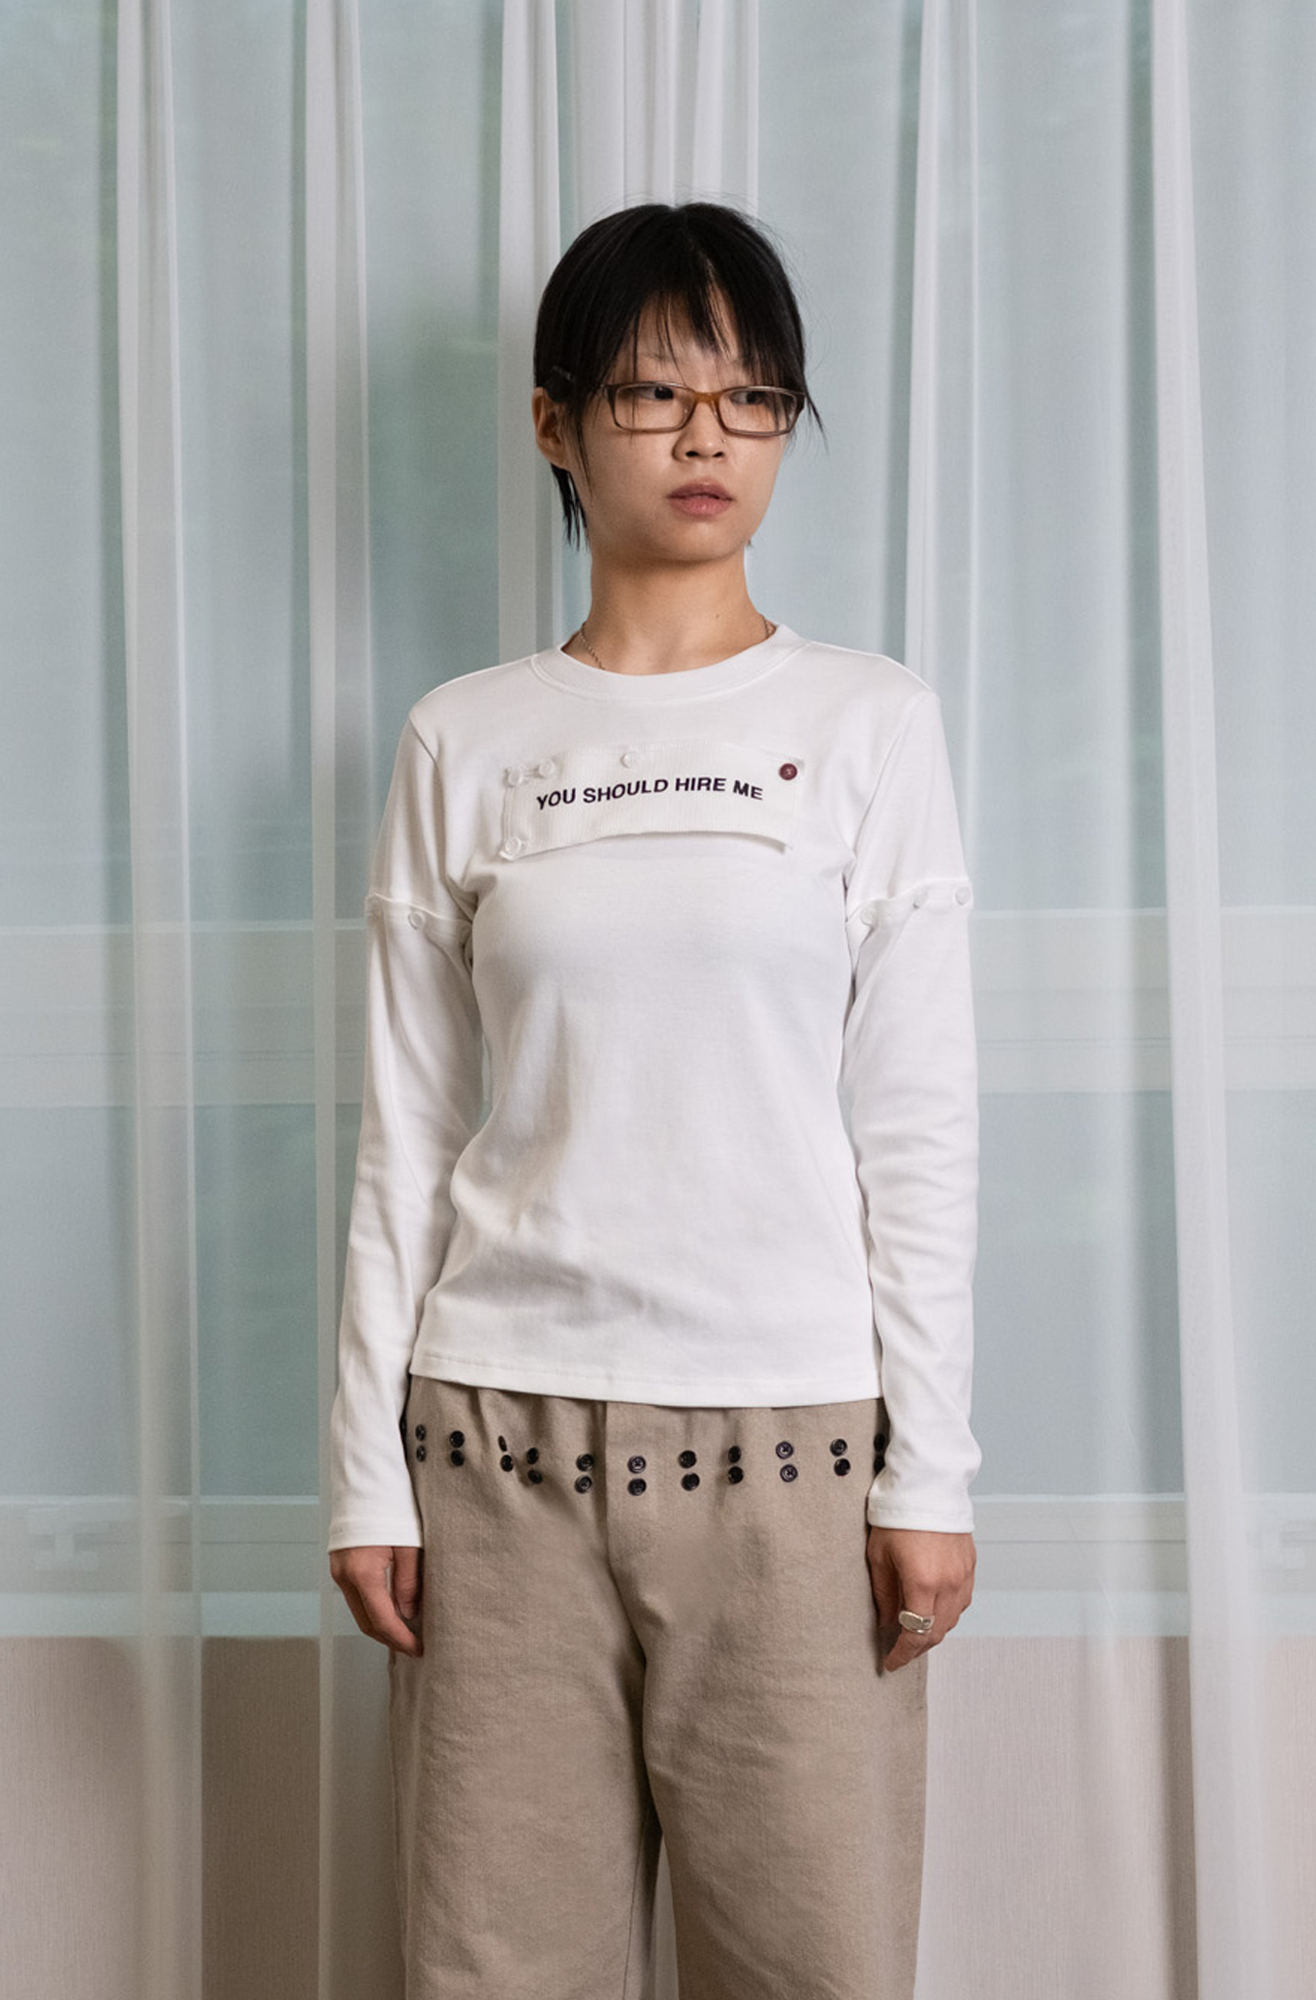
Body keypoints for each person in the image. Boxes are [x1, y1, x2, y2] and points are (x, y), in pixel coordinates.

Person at [327, 199, 981, 2000]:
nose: (709, 434)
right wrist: (365, 1474)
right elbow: (406, 1133)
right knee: (493, 1971)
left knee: (812, 1966)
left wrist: (930, 1466)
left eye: (753, 395)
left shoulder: (868, 724)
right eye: (653, 391)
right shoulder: (466, 737)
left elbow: (916, 1127)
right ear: (556, 422)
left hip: (791, 1450)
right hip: (496, 1450)